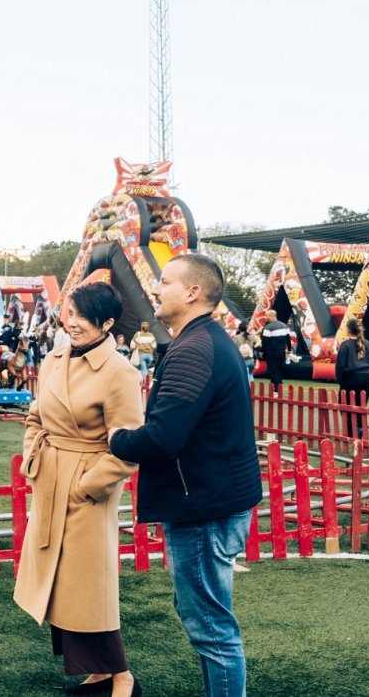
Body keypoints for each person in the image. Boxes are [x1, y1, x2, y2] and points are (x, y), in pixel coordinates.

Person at [108, 255, 261, 697]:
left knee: (211, 627)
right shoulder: (205, 340)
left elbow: (163, 438)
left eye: (164, 281)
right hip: (215, 498)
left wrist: (117, 438)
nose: (155, 288)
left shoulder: (194, 349)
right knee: (207, 617)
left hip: (205, 506)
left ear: (193, 292)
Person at [13, 283, 144, 697]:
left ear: (107, 323)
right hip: (50, 477)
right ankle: (98, 674)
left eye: (83, 316)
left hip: (88, 486)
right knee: (62, 583)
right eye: (70, 313)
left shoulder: (120, 372)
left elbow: (129, 446)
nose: (72, 323)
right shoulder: (53, 358)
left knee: (88, 586)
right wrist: (33, 458)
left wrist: (88, 486)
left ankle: (121, 676)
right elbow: (35, 417)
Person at [259, 311, 290, 392]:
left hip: (272, 352)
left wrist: (261, 351)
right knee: (279, 370)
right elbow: (288, 339)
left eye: (266, 316)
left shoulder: (268, 327)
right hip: (282, 352)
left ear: (271, 316)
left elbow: (265, 341)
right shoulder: (284, 326)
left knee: (273, 370)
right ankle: (277, 387)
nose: (265, 317)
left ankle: (276, 389)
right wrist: (289, 350)